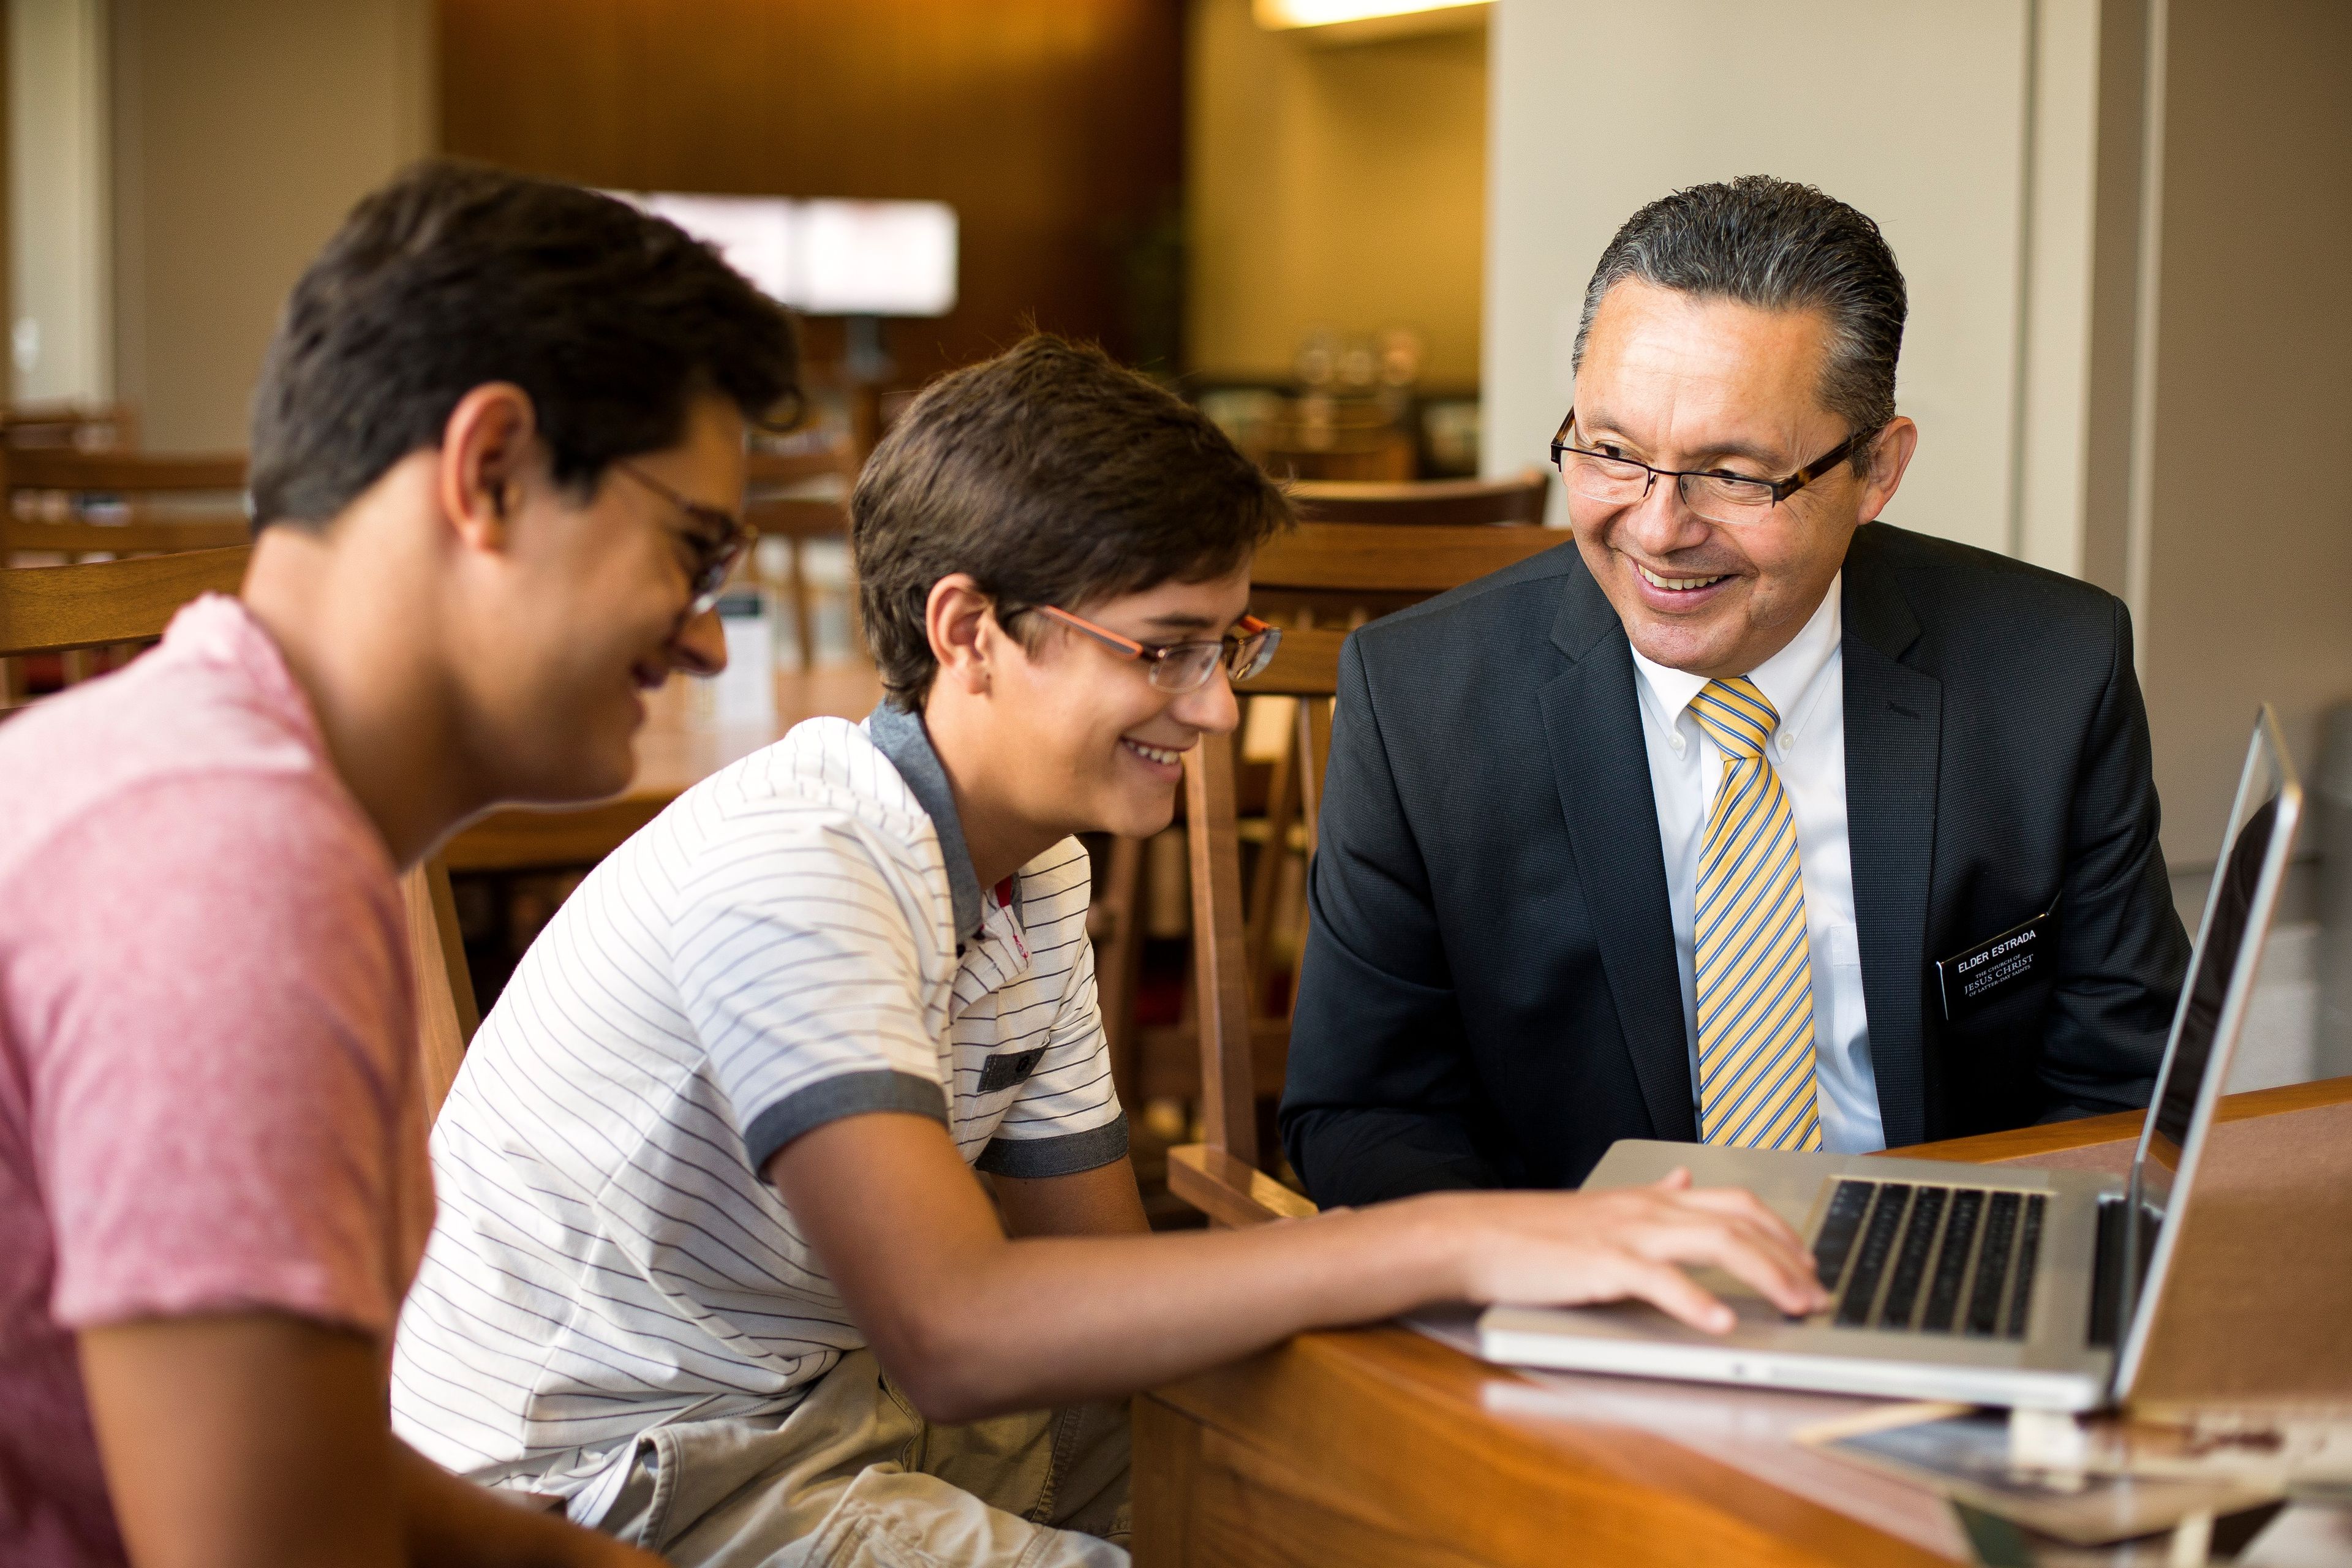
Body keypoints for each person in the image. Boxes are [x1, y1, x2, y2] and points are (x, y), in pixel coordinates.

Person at [389, 333, 1829, 1568]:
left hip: (842, 1400)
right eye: (1163, 648)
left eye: (1229, 644)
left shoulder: (1034, 871)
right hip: (617, 1475)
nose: (1211, 708)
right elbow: (962, 1327)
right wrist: (1469, 1227)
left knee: (1345, 1502)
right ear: (969, 630)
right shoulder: (801, 861)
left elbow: (1096, 1280)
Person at [0, 160, 799, 1568]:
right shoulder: (230, 874)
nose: (708, 637)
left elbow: (261, 1432)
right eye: (695, 549)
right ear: (489, 471)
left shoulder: (192, 771)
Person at [1281, 175, 2194, 1208]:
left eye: (1733, 474)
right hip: (1579, 1299)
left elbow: (2124, 1086)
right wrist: (1551, 1273)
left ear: (1877, 471)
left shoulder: (2049, 671)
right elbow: (1362, 1112)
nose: (1660, 528)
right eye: (1613, 453)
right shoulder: (1420, 701)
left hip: (1940, 1268)